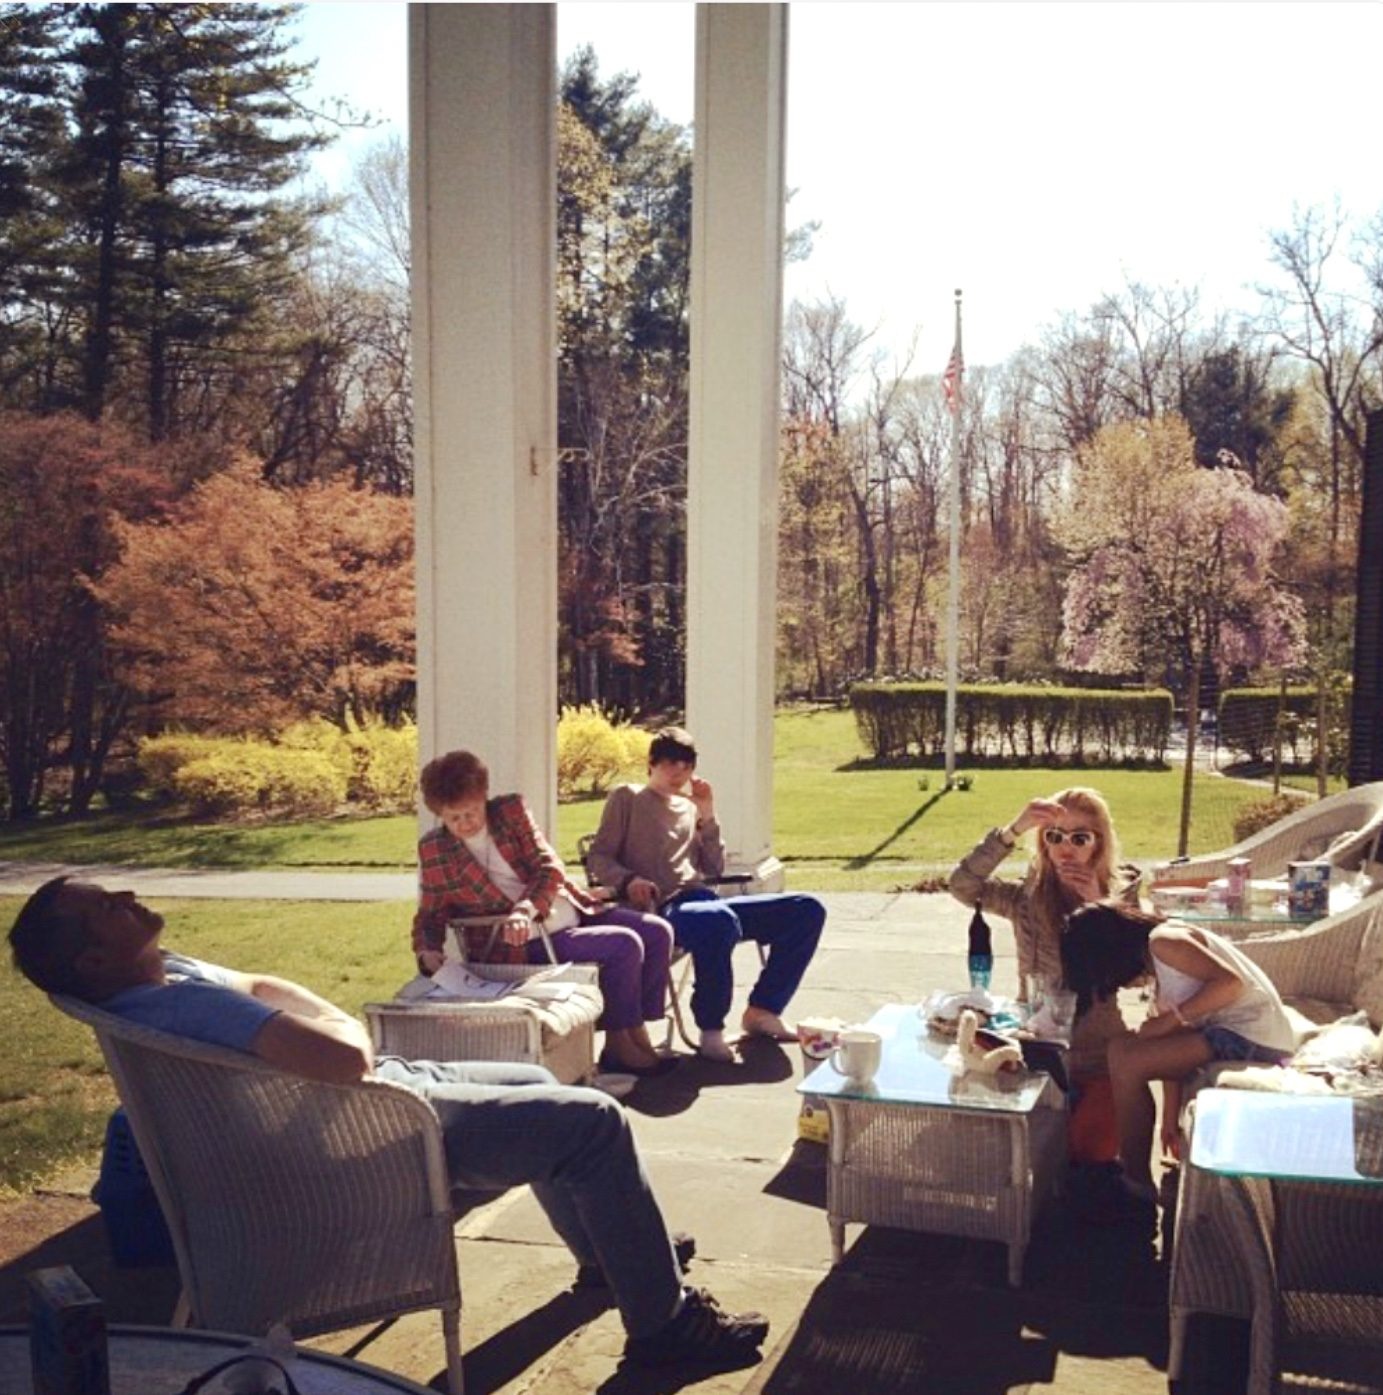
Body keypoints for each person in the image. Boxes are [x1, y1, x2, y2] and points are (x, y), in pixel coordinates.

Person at [8, 877, 770, 1369]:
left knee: (539, 1078)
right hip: (373, 1128)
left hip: (367, 1093)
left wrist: (327, 1025)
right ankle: (662, 1329)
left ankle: (612, 1257)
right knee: (593, 1121)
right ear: (93, 961)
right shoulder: (177, 1004)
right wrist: (342, 1023)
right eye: (105, 906)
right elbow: (344, 1058)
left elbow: (264, 985)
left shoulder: (161, 973)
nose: (127, 892)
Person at [413, 750, 674, 1075]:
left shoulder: (510, 811)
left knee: (657, 930)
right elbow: (431, 913)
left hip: (565, 910)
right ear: (439, 814)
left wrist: (525, 907)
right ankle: (620, 1043)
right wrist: (427, 948)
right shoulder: (435, 850)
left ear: (484, 797)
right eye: (455, 818)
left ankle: (636, 1032)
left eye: (473, 811)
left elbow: (549, 869)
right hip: (519, 942)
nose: (467, 823)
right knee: (624, 944)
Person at [588, 726, 825, 1063]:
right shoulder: (628, 797)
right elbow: (600, 856)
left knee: (807, 909)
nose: (679, 773)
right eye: (671, 763)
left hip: (706, 904)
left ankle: (762, 1011)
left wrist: (708, 814)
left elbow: (713, 868)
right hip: (663, 908)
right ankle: (711, 1028)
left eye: (687, 766)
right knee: (718, 921)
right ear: (652, 763)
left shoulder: (690, 808)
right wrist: (627, 882)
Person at [1060, 898, 1294, 1209]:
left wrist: (1170, 1019)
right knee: (1120, 1050)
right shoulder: (1160, 969)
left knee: (1129, 1060)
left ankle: (1135, 1186)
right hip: (1230, 1032)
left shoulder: (1164, 942)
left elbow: (1231, 985)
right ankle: (1134, 1176)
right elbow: (1173, 1045)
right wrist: (1170, 1119)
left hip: (1254, 1034)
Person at [949, 787, 1141, 1091]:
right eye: (1054, 836)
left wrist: (1101, 907)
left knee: (1094, 1135)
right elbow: (962, 886)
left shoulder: (1121, 896)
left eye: (1079, 838)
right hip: (1032, 1049)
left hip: (1095, 1056)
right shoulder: (1026, 897)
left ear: (1098, 844)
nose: (1066, 847)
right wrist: (1012, 831)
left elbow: (1138, 977)